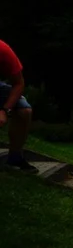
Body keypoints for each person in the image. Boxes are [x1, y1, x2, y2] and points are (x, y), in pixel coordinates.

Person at [0, 39, 36, 172]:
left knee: (24, 110)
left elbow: (19, 83)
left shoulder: (3, 50)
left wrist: (5, 110)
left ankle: (15, 157)